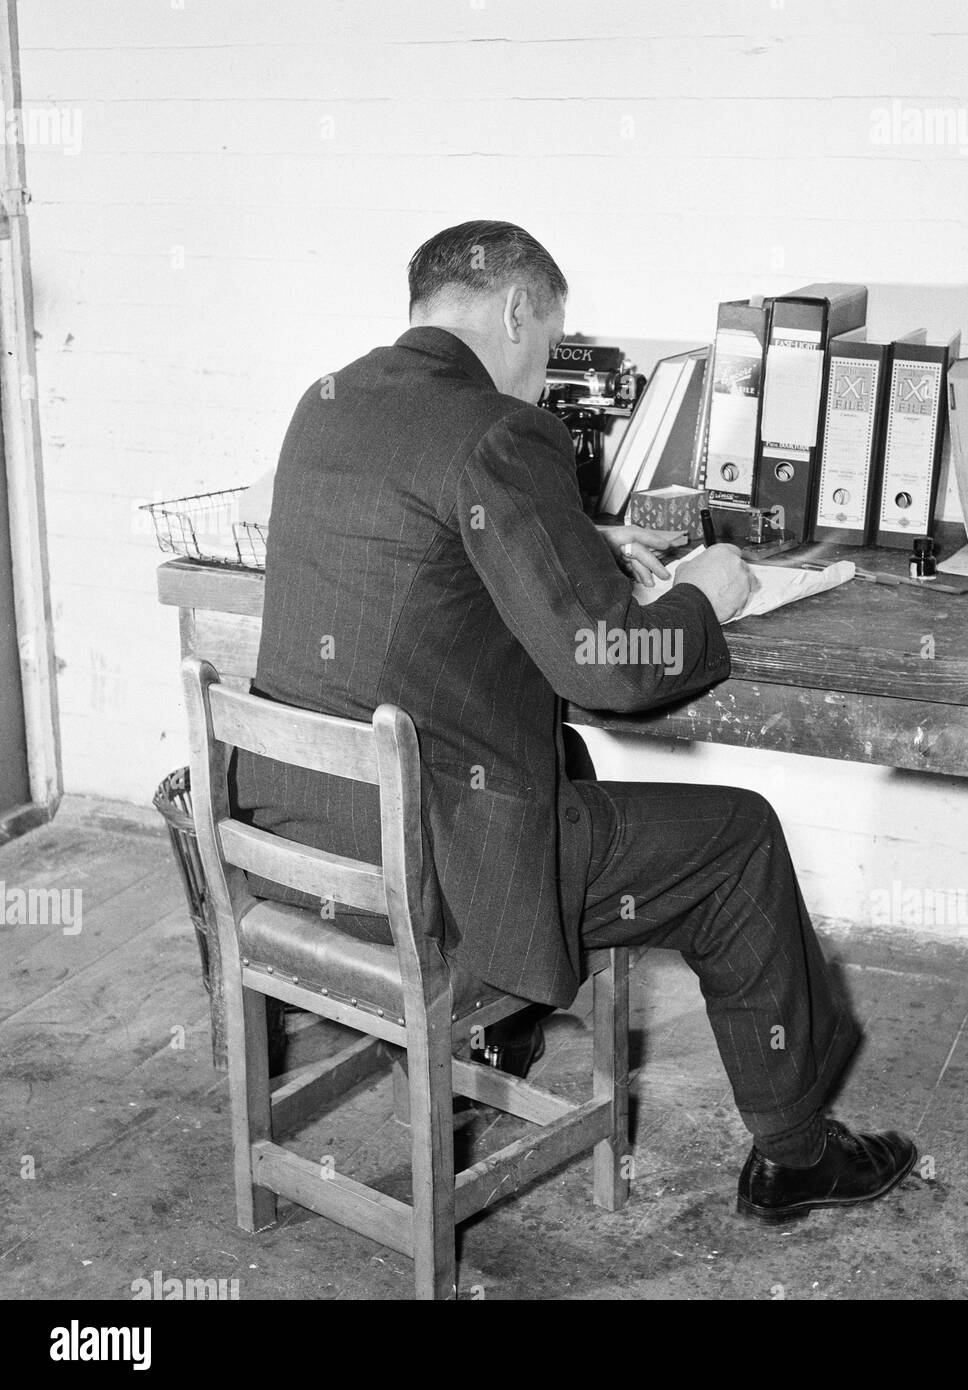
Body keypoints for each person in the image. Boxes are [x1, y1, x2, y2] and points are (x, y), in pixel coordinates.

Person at [232, 219, 916, 1223]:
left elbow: (417, 546)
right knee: (738, 839)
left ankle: (497, 1031)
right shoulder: (495, 430)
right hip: (432, 875)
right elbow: (606, 669)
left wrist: (576, 537)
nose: (544, 371)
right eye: (549, 344)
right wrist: (709, 596)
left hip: (297, 842)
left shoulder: (327, 403)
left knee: (563, 755)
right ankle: (798, 1152)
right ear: (517, 309)